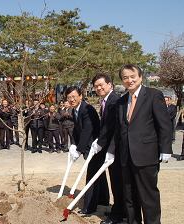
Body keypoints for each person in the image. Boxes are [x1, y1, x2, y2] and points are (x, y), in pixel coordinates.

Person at [107, 64, 172, 224]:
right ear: (122, 80)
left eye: (132, 76)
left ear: (140, 77)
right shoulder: (122, 101)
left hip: (146, 155)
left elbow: (164, 124)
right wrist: (111, 151)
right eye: (125, 78)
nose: (129, 80)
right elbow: (120, 130)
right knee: (129, 197)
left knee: (148, 196)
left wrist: (165, 148)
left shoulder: (153, 95)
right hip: (125, 156)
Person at [66, 86, 108, 214]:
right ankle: (103, 199)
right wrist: (73, 144)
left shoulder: (86, 109)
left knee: (91, 175)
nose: (72, 99)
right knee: (99, 175)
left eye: (74, 96)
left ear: (80, 96)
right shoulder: (75, 110)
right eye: (69, 98)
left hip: (95, 147)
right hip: (89, 147)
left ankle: (89, 206)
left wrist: (79, 150)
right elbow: (77, 130)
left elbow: (87, 131)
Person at [89, 73, 125, 224]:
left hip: (116, 147)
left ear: (110, 84)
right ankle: (119, 209)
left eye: (101, 85)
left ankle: (118, 214)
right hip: (110, 147)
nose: (98, 88)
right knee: (116, 181)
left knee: (118, 182)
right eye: (96, 86)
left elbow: (110, 127)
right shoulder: (106, 101)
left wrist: (100, 143)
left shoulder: (114, 101)